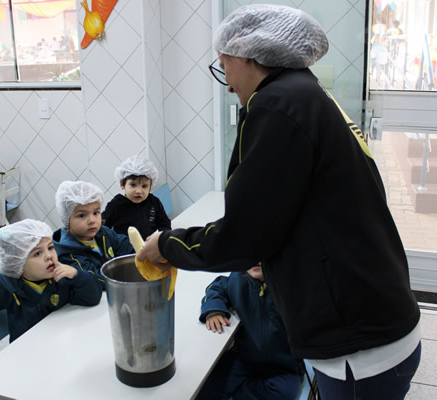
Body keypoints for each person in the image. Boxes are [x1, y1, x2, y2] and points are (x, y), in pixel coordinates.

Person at [137, 5, 421, 399]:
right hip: (375, 314)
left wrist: (168, 244)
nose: (227, 82)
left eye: (224, 65)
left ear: (248, 53)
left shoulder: (277, 106)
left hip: (360, 344)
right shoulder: (306, 94)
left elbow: (244, 237)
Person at [0, 219, 102, 342]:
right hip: (28, 355)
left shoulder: (62, 278)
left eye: (50, 248)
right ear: (18, 262)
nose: (49, 256)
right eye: (37, 253)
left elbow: (93, 297)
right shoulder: (7, 287)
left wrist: (77, 275)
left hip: (64, 342)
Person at [196, 263, 303, 400]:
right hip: (245, 359)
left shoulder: (290, 284)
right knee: (208, 380)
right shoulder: (239, 277)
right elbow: (217, 286)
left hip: (283, 369)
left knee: (284, 393)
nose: (255, 261)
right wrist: (214, 309)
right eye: (250, 253)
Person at [52, 180, 134, 289]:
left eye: (96, 213)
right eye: (82, 215)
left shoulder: (103, 233)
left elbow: (123, 244)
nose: (92, 220)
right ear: (66, 220)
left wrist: (141, 253)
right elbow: (95, 278)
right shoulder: (69, 254)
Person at [102, 155, 171, 238]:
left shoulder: (154, 202)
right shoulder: (116, 204)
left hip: (151, 246)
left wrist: (160, 237)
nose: (138, 191)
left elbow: (164, 225)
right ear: (122, 184)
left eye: (144, 186)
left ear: (150, 187)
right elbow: (103, 228)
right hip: (126, 248)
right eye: (133, 185)